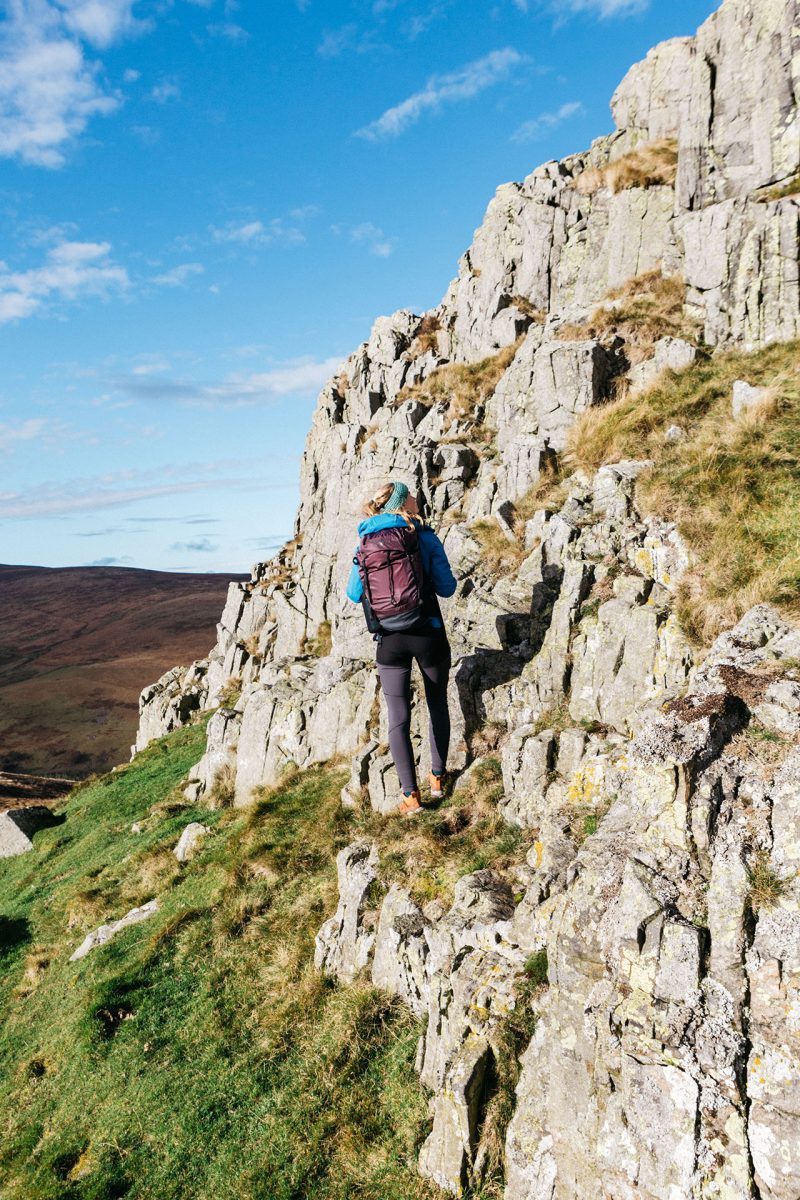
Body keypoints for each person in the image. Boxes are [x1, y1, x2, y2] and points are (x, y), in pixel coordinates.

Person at [346, 480, 457, 816]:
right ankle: (437, 779)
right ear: (402, 503)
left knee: (398, 717)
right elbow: (448, 588)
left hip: (389, 642)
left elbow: (353, 594)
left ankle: (410, 796)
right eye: (411, 495)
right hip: (428, 633)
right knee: (436, 702)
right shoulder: (422, 536)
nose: (416, 498)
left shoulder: (366, 542)